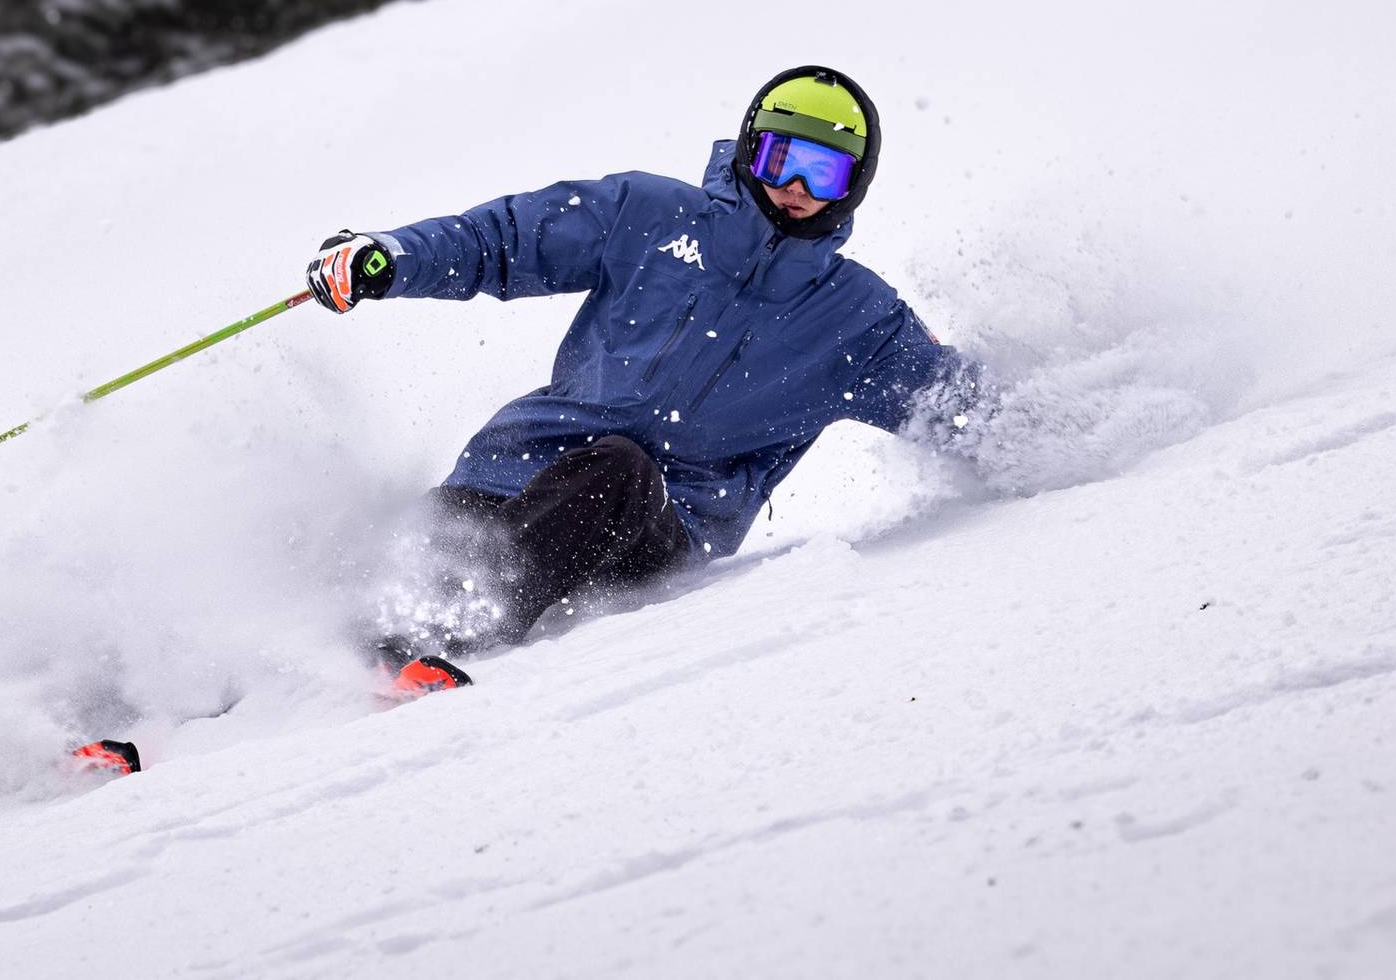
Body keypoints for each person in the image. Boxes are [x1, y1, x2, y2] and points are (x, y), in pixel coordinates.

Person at [306, 67, 984, 695]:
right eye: (781, 161)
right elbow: (505, 240)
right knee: (397, 552)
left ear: (853, 186)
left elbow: (961, 411)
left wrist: (1064, 426)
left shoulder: (855, 318)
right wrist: (389, 259)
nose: (796, 189)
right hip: (516, 469)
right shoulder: (649, 215)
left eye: (823, 172)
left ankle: (449, 627)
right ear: (751, 154)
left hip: (661, 522)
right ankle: (255, 669)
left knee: (619, 471)